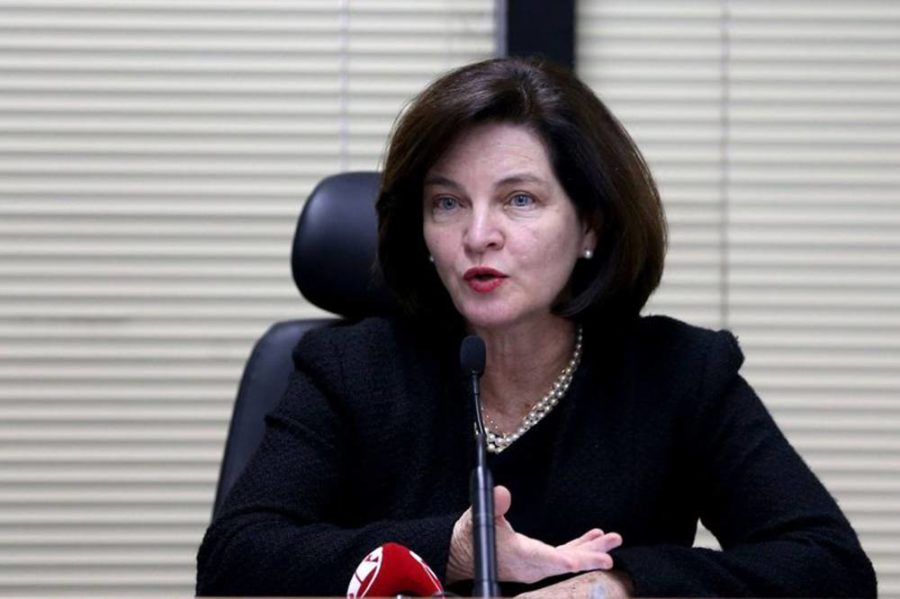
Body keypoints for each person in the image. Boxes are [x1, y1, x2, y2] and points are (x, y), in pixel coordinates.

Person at [196, 57, 876, 597]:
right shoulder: (351, 368)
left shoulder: (678, 374)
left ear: (590, 225)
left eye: (519, 199)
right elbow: (232, 561)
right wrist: (453, 550)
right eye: (447, 203)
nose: (478, 235)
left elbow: (831, 567)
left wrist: (615, 585)